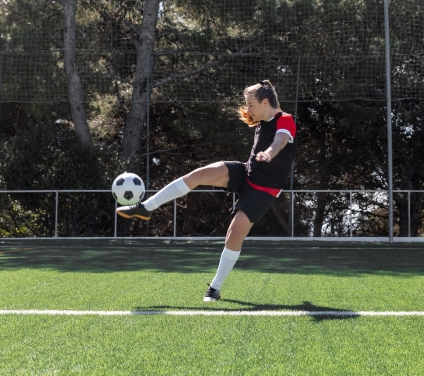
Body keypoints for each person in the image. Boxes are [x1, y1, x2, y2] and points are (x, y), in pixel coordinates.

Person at [116, 80, 297, 302]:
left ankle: (214, 288)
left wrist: (269, 152)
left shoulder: (285, 120)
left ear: (265, 102)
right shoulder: (262, 120)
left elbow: (280, 140)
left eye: (251, 105)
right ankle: (146, 207)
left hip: (264, 188)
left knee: (233, 234)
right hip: (247, 172)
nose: (248, 110)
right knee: (198, 175)